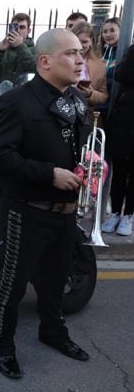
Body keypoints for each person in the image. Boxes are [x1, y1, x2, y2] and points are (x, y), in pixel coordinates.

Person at [0, 28, 91, 380]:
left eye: (81, 52)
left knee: (55, 279)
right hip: (26, 211)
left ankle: (53, 332)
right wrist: (50, 174)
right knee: (14, 284)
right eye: (71, 54)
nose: (80, 60)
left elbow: (74, 149)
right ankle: (2, 345)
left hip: (65, 213)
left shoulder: (76, 101)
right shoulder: (17, 101)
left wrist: (88, 164)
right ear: (45, 61)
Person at [102, 43, 134, 236]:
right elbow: (120, 74)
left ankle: (128, 215)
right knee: (119, 171)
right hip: (125, 121)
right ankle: (115, 212)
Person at [0, 12, 36, 86]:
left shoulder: (35, 50)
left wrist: (20, 46)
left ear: (28, 31)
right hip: (1, 95)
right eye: (15, 27)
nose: (18, 30)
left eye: (22, 27)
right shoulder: (4, 49)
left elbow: (35, 70)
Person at [70, 21, 108, 110]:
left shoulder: (100, 66)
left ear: (91, 42)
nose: (80, 45)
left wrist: (91, 94)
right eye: (76, 41)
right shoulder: (60, 61)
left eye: (84, 41)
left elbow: (104, 96)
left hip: (86, 114)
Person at [98, 17, 120, 97]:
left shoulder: (127, 53)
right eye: (105, 31)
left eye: (112, 30)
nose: (108, 35)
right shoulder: (103, 52)